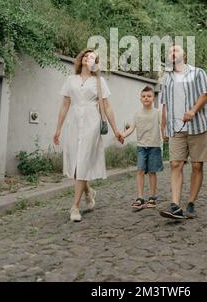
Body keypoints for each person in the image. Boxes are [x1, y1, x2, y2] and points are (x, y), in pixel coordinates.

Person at [53, 48, 123, 222]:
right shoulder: (71, 80)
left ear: (96, 63)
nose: (88, 58)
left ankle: (75, 207)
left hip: (92, 123)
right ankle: (88, 191)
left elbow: (107, 107)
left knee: (83, 160)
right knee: (77, 164)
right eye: (86, 55)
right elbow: (64, 105)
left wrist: (116, 130)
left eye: (92, 57)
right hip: (74, 123)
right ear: (81, 59)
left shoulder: (99, 81)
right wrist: (58, 129)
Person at [159, 44, 207, 220]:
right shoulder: (167, 78)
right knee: (176, 164)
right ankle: (175, 205)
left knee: (197, 165)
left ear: (185, 54)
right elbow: (165, 104)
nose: (172, 53)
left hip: (198, 126)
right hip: (176, 127)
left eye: (175, 50)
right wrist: (163, 127)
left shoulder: (198, 72)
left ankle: (190, 202)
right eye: (169, 52)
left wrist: (192, 111)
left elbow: (205, 94)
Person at [122, 86, 163, 211]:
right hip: (141, 147)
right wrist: (122, 135)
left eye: (149, 96)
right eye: (144, 96)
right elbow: (131, 128)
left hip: (154, 146)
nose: (146, 98)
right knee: (140, 171)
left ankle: (152, 197)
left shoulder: (158, 113)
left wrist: (167, 136)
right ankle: (140, 197)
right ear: (140, 99)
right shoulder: (137, 114)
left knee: (152, 172)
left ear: (153, 98)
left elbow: (163, 126)